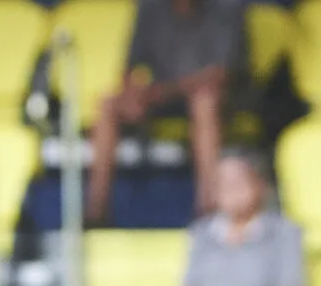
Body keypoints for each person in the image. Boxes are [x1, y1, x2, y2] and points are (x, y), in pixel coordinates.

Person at [87, 0, 245, 223]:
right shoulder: (151, 7)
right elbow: (131, 65)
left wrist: (163, 91)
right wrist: (133, 94)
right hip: (162, 95)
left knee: (204, 102)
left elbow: (221, 75)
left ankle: (209, 208)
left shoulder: (227, 7)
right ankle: (96, 211)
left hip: (221, 101)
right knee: (107, 105)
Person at [158, 152, 306, 286]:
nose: (230, 190)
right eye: (222, 183)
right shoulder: (202, 234)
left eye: (238, 181)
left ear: (260, 185)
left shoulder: (284, 233)